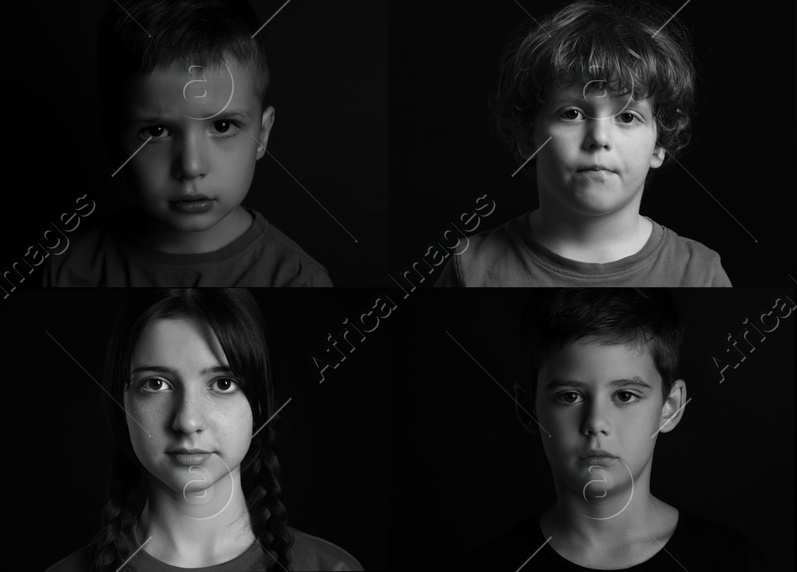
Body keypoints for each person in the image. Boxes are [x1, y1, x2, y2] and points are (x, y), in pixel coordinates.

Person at [47, 289, 359, 571]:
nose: (187, 420)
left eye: (223, 383)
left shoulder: (330, 567)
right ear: (122, 406)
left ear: (260, 406)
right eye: (156, 384)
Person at [456, 289, 760, 570]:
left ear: (670, 407)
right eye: (570, 396)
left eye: (625, 396)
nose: (596, 423)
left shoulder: (734, 561)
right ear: (528, 409)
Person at [436, 0, 730, 287]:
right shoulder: (470, 268)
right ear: (528, 136)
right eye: (572, 114)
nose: (599, 139)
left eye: (627, 117)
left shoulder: (699, 273)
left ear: (658, 145)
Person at [45, 0, 331, 287]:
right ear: (114, 143)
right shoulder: (67, 272)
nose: (192, 167)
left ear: (263, 134)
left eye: (222, 126)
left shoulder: (298, 281)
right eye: (156, 131)